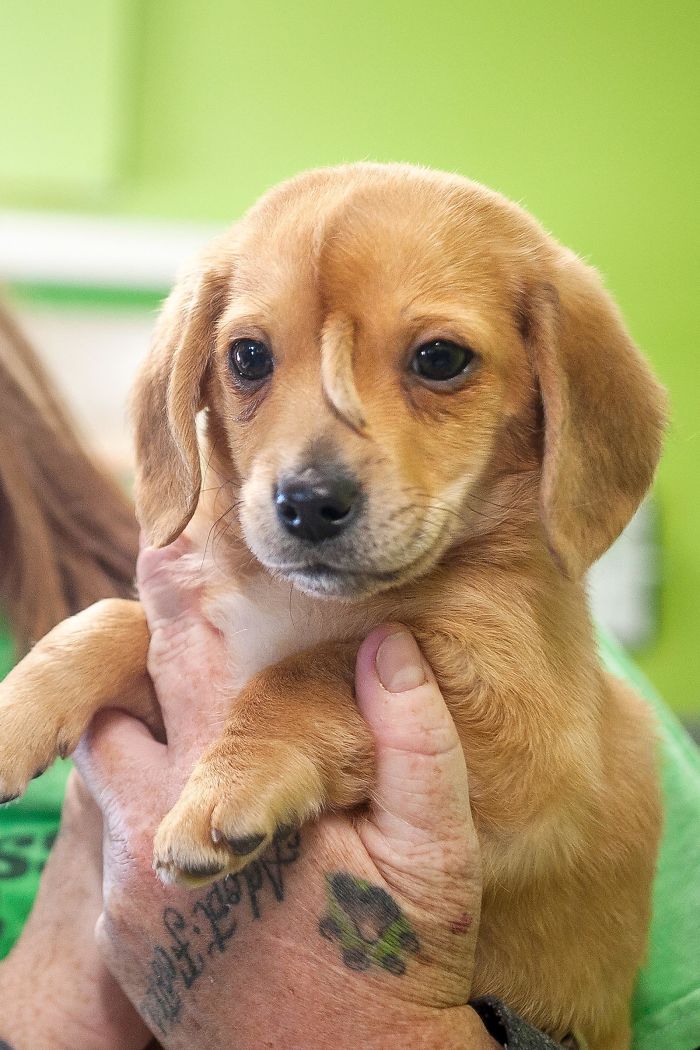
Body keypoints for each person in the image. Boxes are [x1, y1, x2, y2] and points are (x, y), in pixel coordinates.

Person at [0, 306, 699, 1048]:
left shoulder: (497, 584)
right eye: (249, 360)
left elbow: (525, 774)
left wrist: (381, 1030)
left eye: (436, 359)